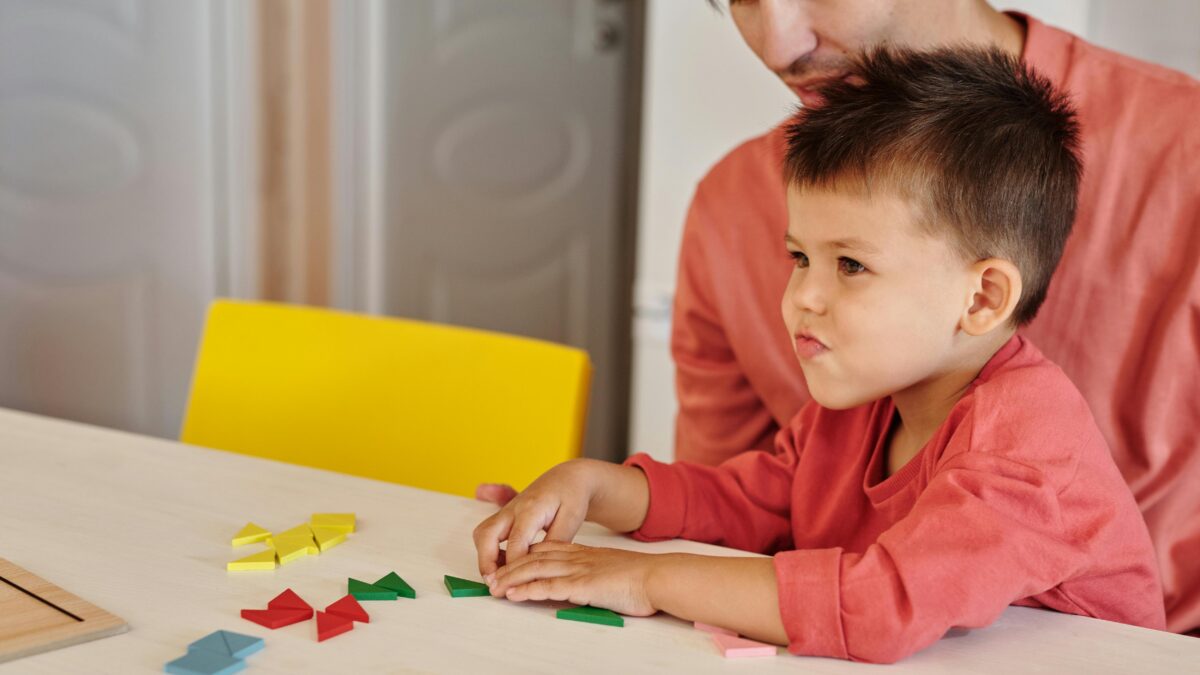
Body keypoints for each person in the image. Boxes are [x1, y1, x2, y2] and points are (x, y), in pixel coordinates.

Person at [476, 1, 1200, 634]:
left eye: (850, 265)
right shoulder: (865, 399)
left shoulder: (1028, 454)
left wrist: (645, 577)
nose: (803, 299)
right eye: (799, 258)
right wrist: (601, 487)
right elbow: (748, 499)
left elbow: (881, 602)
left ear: (981, 299)